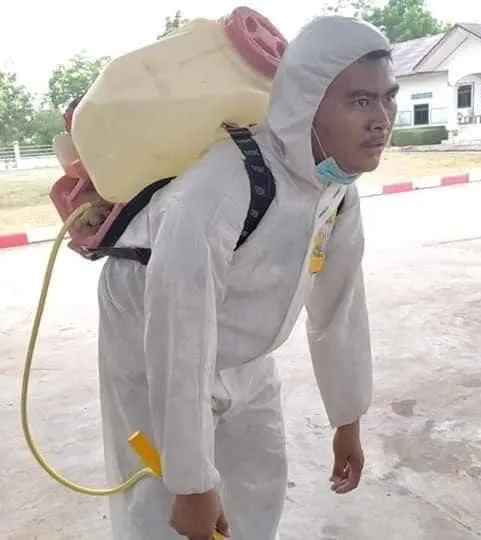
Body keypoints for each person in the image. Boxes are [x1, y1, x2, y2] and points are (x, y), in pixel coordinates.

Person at [97, 14, 398, 540]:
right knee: (162, 500)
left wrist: (347, 418)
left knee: (258, 480)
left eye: (388, 98)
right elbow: (179, 335)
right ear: (307, 103)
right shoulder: (221, 190)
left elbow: (339, 307)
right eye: (359, 101)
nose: (381, 120)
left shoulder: (335, 190)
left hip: (242, 344)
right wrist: (190, 482)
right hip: (148, 344)